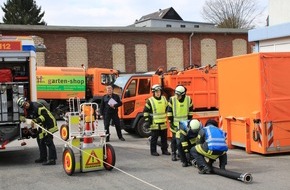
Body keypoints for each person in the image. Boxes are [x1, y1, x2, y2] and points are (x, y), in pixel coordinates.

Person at [17, 97, 58, 165]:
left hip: (49, 123)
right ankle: (43, 158)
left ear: (27, 101)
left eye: (26, 103)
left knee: (48, 141)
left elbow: (44, 116)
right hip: (42, 125)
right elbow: (31, 118)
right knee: (40, 140)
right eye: (24, 106)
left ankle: (52, 159)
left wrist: (35, 120)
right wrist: (23, 118)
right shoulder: (29, 109)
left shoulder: (36, 106)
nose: (26, 105)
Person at [167, 85, 194, 161]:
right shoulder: (172, 100)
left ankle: (181, 154)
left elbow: (191, 111)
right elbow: (169, 111)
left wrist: (189, 121)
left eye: (178, 95)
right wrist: (171, 121)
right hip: (175, 124)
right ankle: (173, 153)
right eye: (175, 94)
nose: (176, 96)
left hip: (185, 125)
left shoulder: (188, 100)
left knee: (184, 140)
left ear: (183, 94)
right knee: (175, 140)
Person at [143, 84, 170, 156]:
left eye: (159, 92)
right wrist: (147, 120)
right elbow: (145, 111)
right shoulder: (150, 101)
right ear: (153, 92)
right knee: (154, 139)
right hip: (154, 123)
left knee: (164, 138)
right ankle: (153, 151)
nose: (158, 93)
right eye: (156, 92)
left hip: (163, 123)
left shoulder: (164, 99)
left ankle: (164, 150)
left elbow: (168, 108)